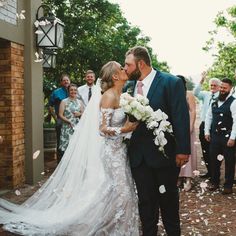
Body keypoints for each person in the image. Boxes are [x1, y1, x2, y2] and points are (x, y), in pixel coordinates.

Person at [0, 61, 140, 235]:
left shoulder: (123, 96)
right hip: (111, 154)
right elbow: (102, 129)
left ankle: (117, 226)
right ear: (115, 76)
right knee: (123, 192)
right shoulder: (109, 96)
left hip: (121, 151)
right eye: (121, 68)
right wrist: (125, 129)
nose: (124, 69)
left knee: (117, 191)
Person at [124, 46, 190, 236]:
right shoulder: (129, 87)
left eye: (128, 65)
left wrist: (183, 149)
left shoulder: (171, 82)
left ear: (141, 64)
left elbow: (180, 116)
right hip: (138, 157)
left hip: (165, 155)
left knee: (168, 200)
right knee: (145, 201)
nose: (125, 68)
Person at [205, 78, 236, 195]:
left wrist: (233, 137)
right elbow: (209, 117)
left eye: (225, 88)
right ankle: (215, 182)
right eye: (221, 87)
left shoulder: (233, 102)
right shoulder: (214, 102)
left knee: (229, 161)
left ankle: (228, 185)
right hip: (215, 136)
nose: (222, 90)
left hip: (227, 137)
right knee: (214, 160)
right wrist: (206, 132)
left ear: (230, 89)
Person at [193, 72, 221, 178]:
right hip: (204, 124)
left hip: (215, 125)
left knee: (214, 150)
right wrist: (201, 80)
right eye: (211, 85)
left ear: (219, 86)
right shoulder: (205, 94)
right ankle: (209, 171)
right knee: (205, 149)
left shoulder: (222, 96)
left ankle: (215, 173)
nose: (213, 87)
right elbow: (195, 92)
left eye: (215, 85)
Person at [177, 75, 197, 192]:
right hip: (176, 126)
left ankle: (188, 178)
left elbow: (193, 110)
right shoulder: (173, 93)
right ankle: (179, 176)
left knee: (188, 151)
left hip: (187, 125)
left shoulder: (188, 94)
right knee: (178, 151)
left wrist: (191, 126)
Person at [49, 74, 70, 163]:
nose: (66, 82)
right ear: (61, 82)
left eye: (67, 80)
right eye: (64, 80)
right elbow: (50, 106)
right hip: (60, 120)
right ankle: (60, 163)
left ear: (70, 81)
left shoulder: (73, 91)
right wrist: (56, 118)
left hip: (72, 121)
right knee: (60, 142)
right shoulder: (56, 92)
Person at [59, 84, 84, 156]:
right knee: (67, 149)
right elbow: (60, 114)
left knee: (76, 148)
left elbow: (83, 113)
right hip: (67, 127)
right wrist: (68, 121)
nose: (73, 91)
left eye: (75, 90)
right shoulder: (64, 101)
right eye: (71, 90)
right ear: (68, 91)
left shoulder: (80, 102)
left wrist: (79, 114)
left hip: (77, 128)